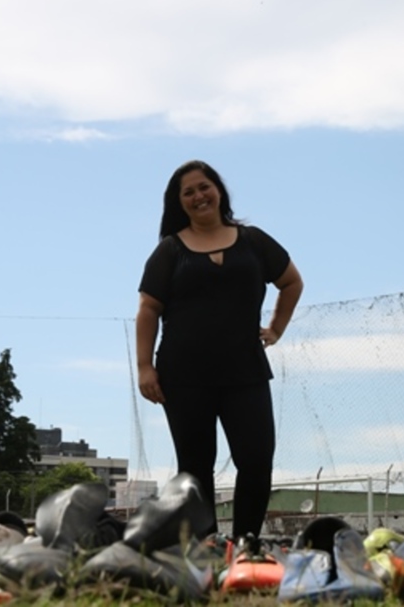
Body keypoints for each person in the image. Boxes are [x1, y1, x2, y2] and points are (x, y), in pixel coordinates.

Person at [136, 160, 303, 540]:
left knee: (257, 462)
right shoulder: (170, 250)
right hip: (183, 377)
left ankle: (246, 544)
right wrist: (145, 367)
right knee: (195, 468)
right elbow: (148, 309)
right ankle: (206, 545)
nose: (199, 196)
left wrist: (276, 328)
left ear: (219, 190)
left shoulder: (254, 241)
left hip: (246, 372)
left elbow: (291, 282)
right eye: (189, 192)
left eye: (204, 187)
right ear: (179, 203)